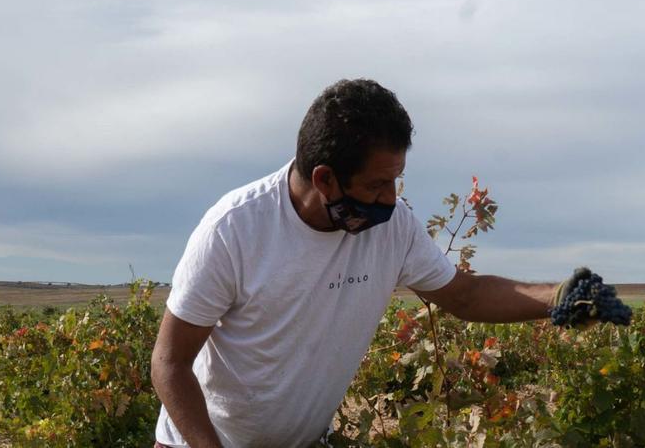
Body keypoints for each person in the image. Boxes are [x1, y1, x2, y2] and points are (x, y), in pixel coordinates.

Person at [151, 79, 574, 447]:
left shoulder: (394, 228)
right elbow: (169, 363)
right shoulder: (234, 230)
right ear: (324, 179)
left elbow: (467, 295)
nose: (390, 199)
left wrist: (560, 297)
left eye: (395, 181)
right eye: (376, 185)